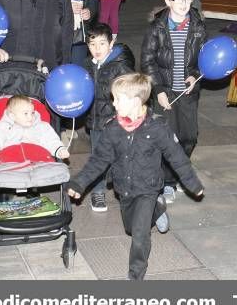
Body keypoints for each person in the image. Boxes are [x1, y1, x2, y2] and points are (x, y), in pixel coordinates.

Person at [67, 73, 204, 280]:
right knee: (131, 227)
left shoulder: (157, 127)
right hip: (124, 188)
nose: (114, 104)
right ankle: (158, 210)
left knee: (139, 236)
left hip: (148, 188)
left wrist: (192, 183)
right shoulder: (113, 128)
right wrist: (79, 183)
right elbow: (99, 161)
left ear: (136, 101)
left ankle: (136, 276)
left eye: (118, 99)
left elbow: (177, 158)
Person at [140, 0, 206, 204]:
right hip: (165, 91)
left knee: (189, 137)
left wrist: (194, 76)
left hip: (187, 92)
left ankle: (179, 170)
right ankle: (167, 182)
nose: (184, 3)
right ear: (168, 1)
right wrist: (158, 90)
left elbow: (203, 60)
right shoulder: (157, 28)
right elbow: (147, 61)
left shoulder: (197, 26)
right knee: (168, 139)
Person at [84, 23, 136, 212]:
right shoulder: (87, 66)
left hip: (116, 123)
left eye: (102, 44)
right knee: (98, 157)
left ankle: (125, 190)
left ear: (111, 43)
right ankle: (98, 192)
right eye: (92, 44)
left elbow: (134, 92)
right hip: (96, 122)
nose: (97, 49)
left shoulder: (121, 67)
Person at [0, 95, 69, 164]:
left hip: (38, 160)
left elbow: (51, 140)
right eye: (25, 113)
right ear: (12, 116)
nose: (30, 117)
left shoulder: (42, 126)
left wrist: (59, 150)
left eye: (32, 112)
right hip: (9, 161)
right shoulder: (1, 127)